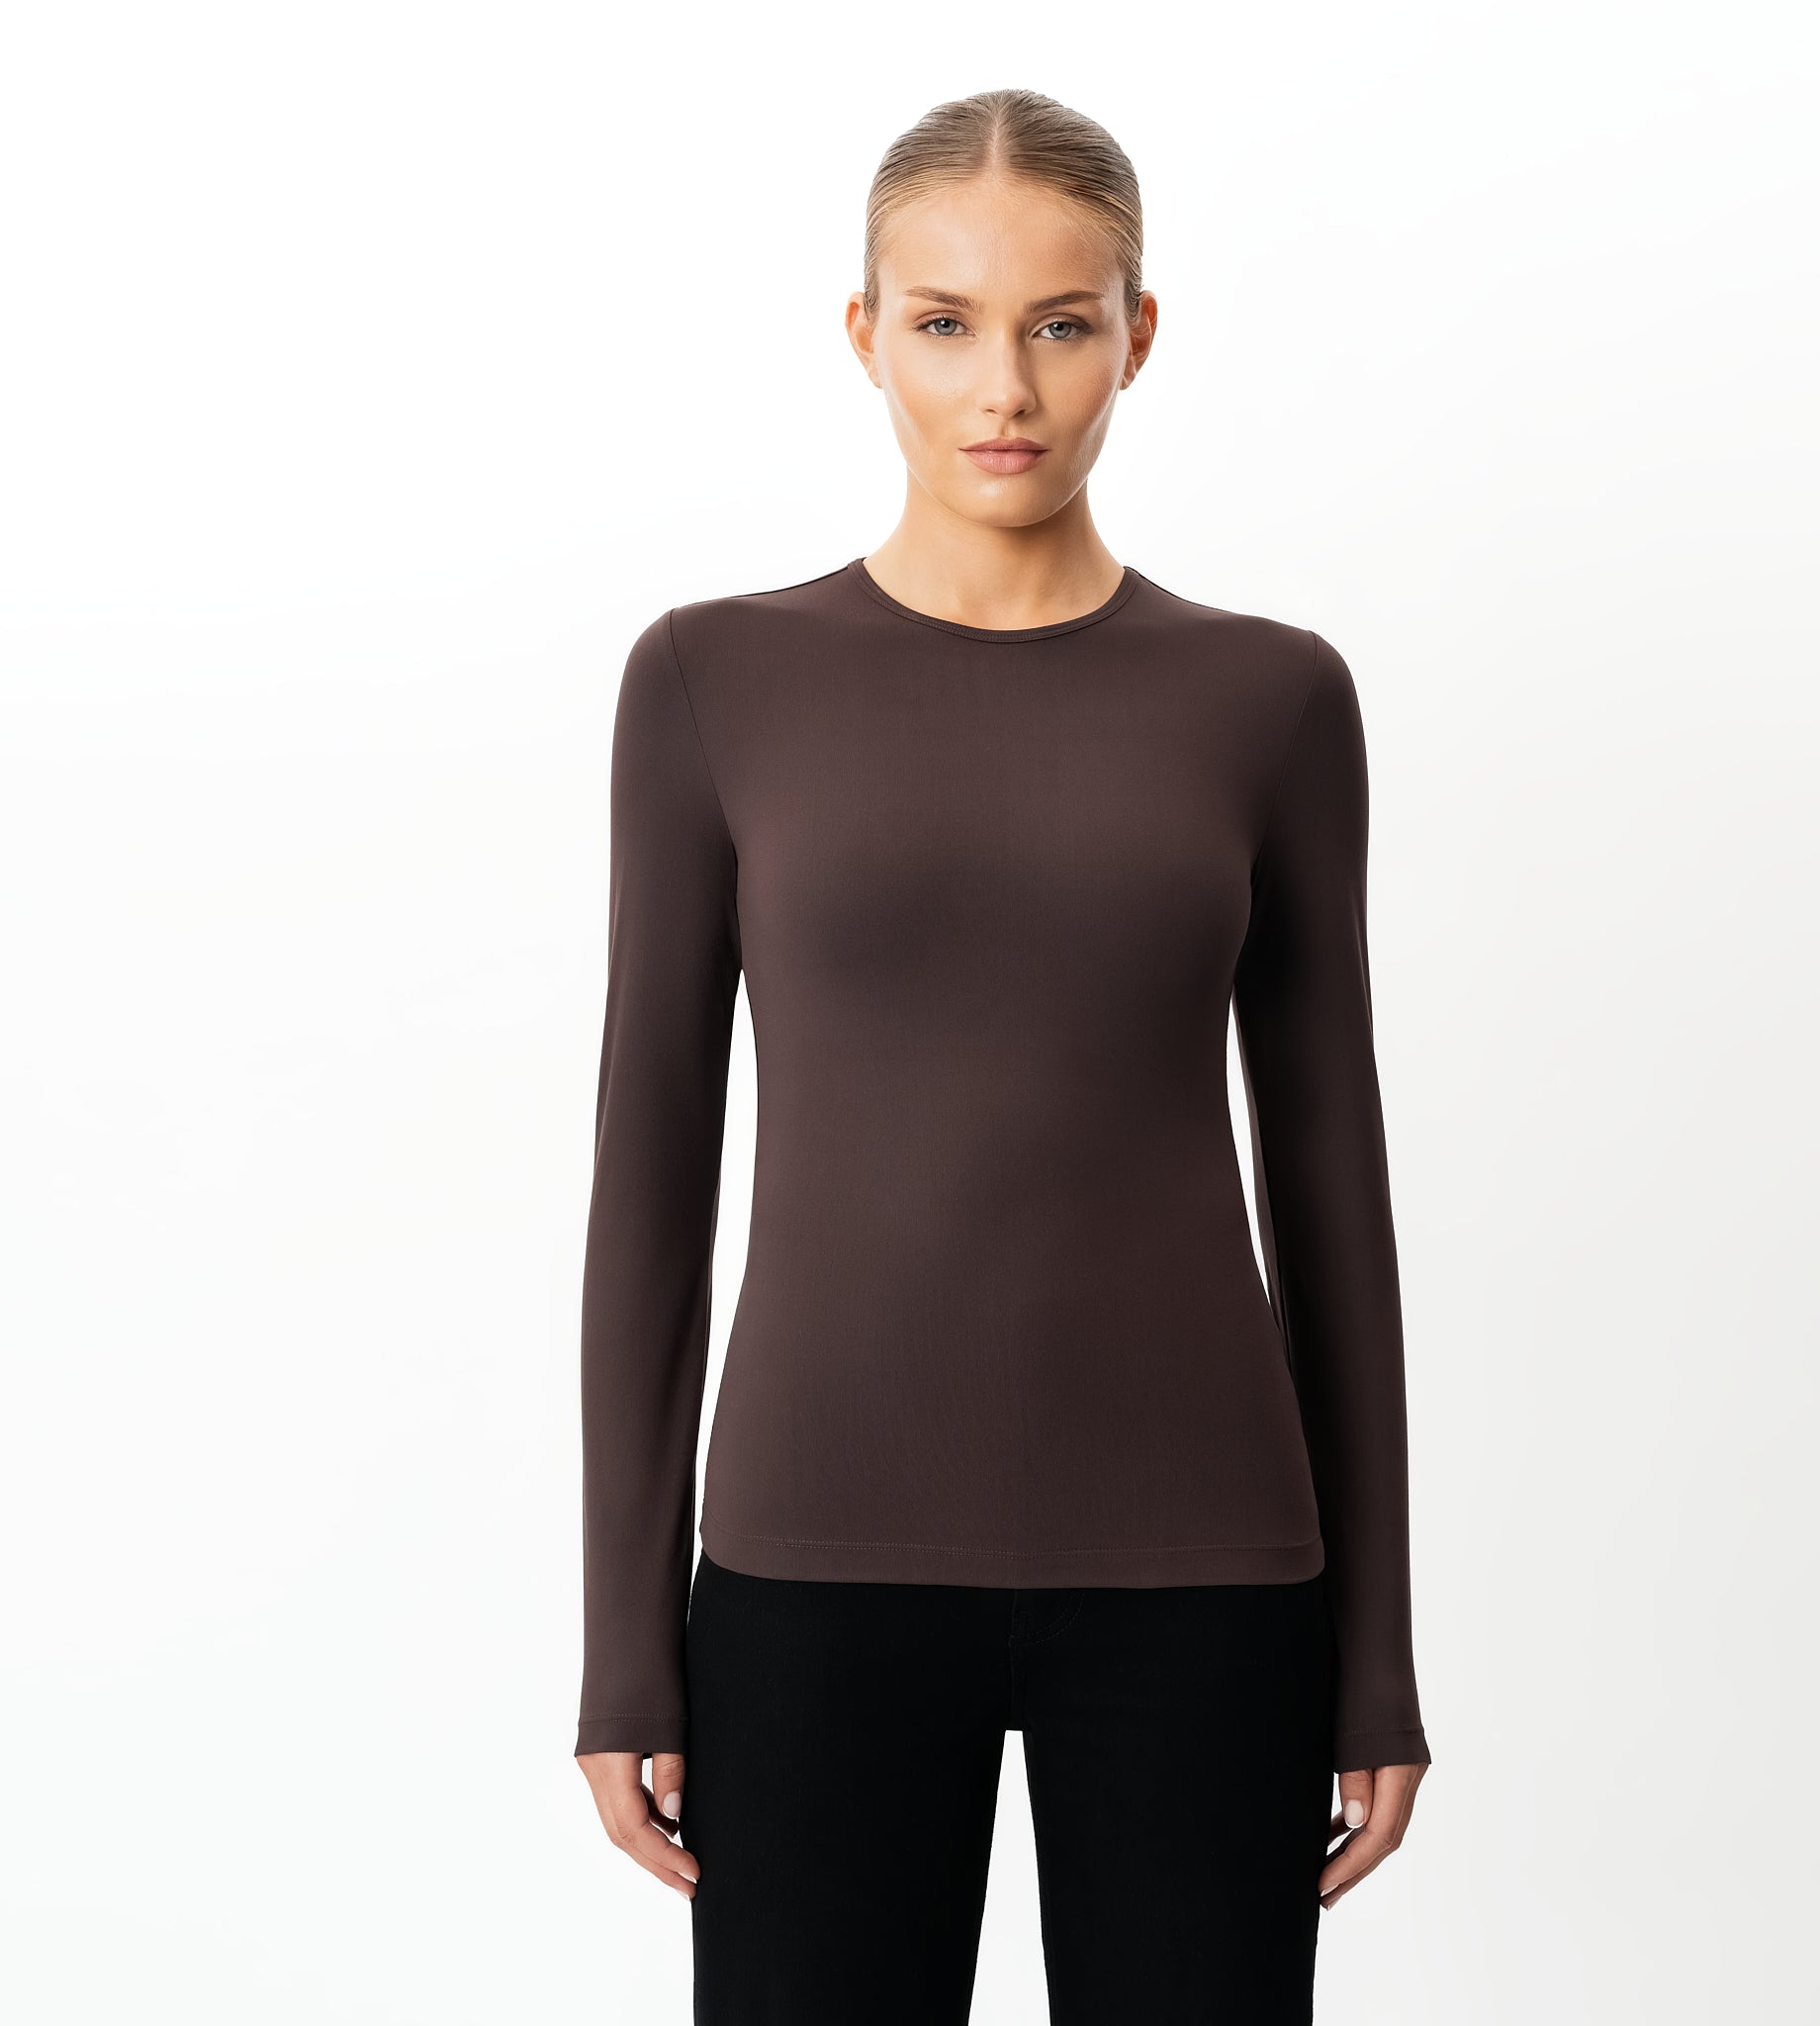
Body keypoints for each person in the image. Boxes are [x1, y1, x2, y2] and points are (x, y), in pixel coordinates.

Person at [573, 85, 1432, 2024]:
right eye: (946, 322)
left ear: (1138, 333)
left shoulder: (1270, 697)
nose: (1006, 388)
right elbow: (651, 1183)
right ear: (864, 335)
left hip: (1210, 1580)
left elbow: (1333, 1195)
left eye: (1060, 322)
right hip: (810, 1571)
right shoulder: (712, 681)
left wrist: (1373, 1653)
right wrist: (627, 1643)